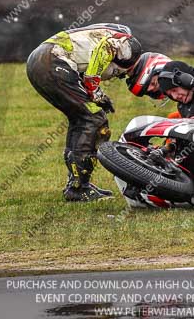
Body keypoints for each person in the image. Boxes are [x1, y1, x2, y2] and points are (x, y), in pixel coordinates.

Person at [26, 23, 142, 202]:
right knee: (94, 120)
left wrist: (99, 96)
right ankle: (79, 187)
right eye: (121, 74)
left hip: (42, 60)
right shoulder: (129, 46)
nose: (118, 76)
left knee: (81, 119)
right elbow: (105, 49)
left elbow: (89, 64)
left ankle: (77, 183)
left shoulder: (96, 37)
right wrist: (94, 88)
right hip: (54, 60)